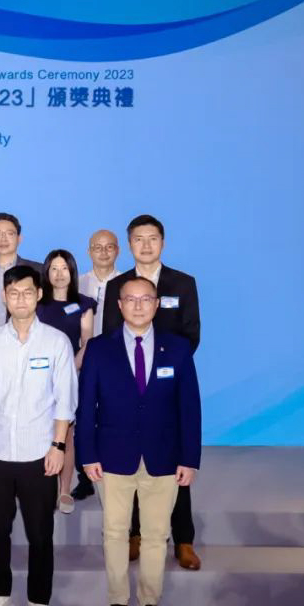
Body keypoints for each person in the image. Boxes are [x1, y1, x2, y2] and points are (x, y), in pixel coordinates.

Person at [77, 277, 202, 606]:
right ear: (119, 306)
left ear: (156, 304)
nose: (137, 305)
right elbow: (86, 407)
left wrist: (189, 458)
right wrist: (87, 455)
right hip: (112, 457)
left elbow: (189, 408)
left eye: (145, 299)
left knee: (156, 535)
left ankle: (149, 604)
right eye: (130, 299)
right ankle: (118, 602)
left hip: (164, 458)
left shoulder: (177, 349)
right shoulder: (100, 349)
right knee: (115, 533)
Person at [0, 266, 76, 606]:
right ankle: (0, 597)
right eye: (14, 293)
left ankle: (38, 603)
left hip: (39, 453)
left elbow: (65, 400)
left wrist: (58, 446)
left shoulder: (56, 342)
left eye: (27, 292)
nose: (20, 299)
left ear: (39, 295)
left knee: (40, 533)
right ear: (4, 296)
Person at [101, 215, 201, 570]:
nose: (145, 245)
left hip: (166, 384)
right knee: (131, 460)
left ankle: (184, 540)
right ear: (129, 244)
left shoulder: (183, 283)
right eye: (138, 239)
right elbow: (110, 335)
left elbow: (191, 334)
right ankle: (134, 534)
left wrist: (165, 366)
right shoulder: (118, 285)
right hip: (129, 388)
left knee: (172, 462)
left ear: (163, 242)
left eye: (152, 238)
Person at [37, 249, 96, 514]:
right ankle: (44, 487)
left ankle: (64, 490)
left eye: (64, 269)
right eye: (54, 269)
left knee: (66, 435)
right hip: (38, 377)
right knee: (41, 432)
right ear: (46, 273)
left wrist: (67, 368)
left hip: (71, 375)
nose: (59, 274)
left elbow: (87, 342)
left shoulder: (83, 304)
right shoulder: (37, 303)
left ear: (72, 272)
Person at [71, 230, 120, 502]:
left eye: (109, 247)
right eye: (97, 247)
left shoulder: (127, 283)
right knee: (83, 416)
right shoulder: (77, 284)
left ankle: (114, 468)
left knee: (113, 416)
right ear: (89, 251)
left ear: (117, 250)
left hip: (117, 361)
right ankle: (84, 477)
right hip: (85, 360)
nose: (103, 252)